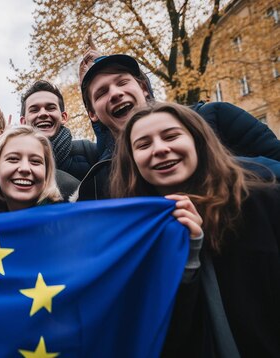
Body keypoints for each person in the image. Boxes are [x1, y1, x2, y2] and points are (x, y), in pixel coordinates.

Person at [110, 102, 280, 357]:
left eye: (171, 136)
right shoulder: (136, 238)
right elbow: (161, 336)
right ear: (131, 161)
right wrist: (187, 261)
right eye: (143, 145)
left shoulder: (263, 201)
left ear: (197, 141)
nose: (160, 149)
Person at [76, 49, 280, 200]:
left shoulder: (217, 116)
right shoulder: (101, 177)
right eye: (101, 92)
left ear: (144, 88)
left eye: (122, 82)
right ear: (93, 114)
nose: (115, 93)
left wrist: (220, 178)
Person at [20, 80, 97, 180]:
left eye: (50, 108)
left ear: (63, 117)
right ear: (23, 122)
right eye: (34, 110)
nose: (43, 113)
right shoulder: (7, 163)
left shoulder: (90, 153)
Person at [0, 126, 62, 212]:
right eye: (13, 159)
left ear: (47, 173)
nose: (25, 168)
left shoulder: (65, 222)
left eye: (35, 161)